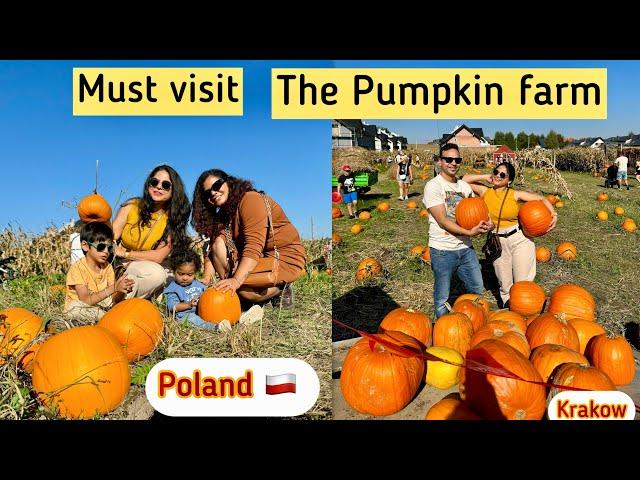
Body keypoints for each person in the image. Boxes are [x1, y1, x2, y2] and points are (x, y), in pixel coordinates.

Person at [191, 169, 306, 308]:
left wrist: (236, 280)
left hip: (282, 256)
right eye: (207, 193)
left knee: (243, 291)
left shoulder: (250, 199)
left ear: (229, 183)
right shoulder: (223, 215)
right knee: (218, 243)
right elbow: (211, 249)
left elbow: (253, 246)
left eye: (216, 186)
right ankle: (242, 295)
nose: (213, 193)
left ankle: (280, 289)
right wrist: (207, 278)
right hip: (257, 259)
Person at [462, 162, 557, 308]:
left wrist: (553, 213)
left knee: (523, 283)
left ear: (509, 180)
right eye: (496, 172)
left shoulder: (515, 194)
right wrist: (486, 176)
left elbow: (541, 199)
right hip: (498, 242)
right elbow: (463, 180)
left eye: (502, 175)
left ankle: (527, 310)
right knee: (504, 285)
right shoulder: (484, 191)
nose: (498, 176)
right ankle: (510, 309)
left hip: (519, 239)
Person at [423, 143, 493, 319]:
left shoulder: (464, 187)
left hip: (465, 249)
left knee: (477, 289)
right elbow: (442, 220)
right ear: (440, 161)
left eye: (457, 159)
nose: (453, 163)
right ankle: (444, 330)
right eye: (449, 159)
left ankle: (476, 324)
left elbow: (476, 213)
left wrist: (487, 224)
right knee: (442, 298)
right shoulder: (433, 186)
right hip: (442, 250)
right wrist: (470, 233)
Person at [112, 165, 191, 300]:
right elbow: (111, 235)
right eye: (154, 182)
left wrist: (125, 253)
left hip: (147, 264)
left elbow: (158, 256)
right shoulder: (131, 206)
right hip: (120, 263)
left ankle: (116, 301)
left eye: (166, 185)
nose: (158, 187)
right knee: (80, 240)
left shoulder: (173, 218)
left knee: (157, 275)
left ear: (174, 191)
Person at [64, 222, 134, 322]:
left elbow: (114, 299)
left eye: (109, 248)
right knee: (73, 309)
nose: (106, 251)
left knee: (125, 301)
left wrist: (121, 290)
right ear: (85, 246)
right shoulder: (77, 268)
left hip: (101, 305)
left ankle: (108, 317)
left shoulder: (107, 267)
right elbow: (84, 300)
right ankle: (109, 318)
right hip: (83, 307)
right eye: (101, 247)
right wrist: (114, 288)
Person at [163, 248, 232, 332]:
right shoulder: (173, 289)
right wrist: (188, 305)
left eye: (189, 274)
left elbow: (208, 295)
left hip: (202, 311)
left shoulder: (198, 284)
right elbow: (171, 306)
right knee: (194, 320)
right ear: (174, 271)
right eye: (181, 274)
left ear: (195, 273)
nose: (185, 278)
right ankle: (216, 328)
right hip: (186, 315)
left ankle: (233, 319)